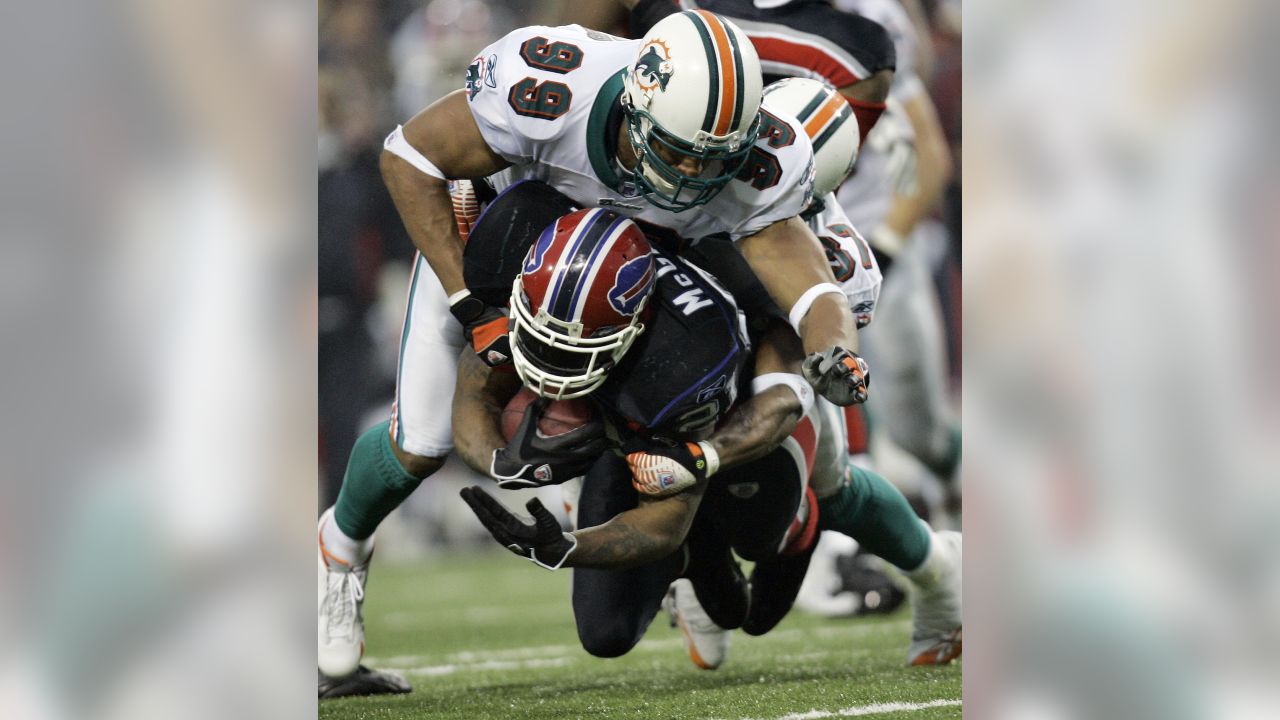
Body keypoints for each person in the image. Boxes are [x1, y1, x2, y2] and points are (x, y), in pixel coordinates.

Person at [319, 9, 873, 681]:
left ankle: (703, 554)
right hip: (502, 251)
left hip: (644, 282)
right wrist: (473, 306)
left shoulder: (760, 172)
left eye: (715, 158)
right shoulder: (558, 93)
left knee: (690, 401)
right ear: (637, 108)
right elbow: (407, 156)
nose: (697, 172)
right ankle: (340, 551)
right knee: (423, 438)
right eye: (679, 151)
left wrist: (834, 349)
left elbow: (812, 294)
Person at [455, 174, 958, 669]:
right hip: (646, 406)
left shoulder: (697, 338)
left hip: (741, 412)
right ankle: (695, 564)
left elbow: (776, 402)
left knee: (793, 527)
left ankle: (932, 568)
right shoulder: (543, 230)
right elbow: (475, 382)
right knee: (606, 631)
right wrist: (500, 463)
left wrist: (698, 457)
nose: (554, 366)